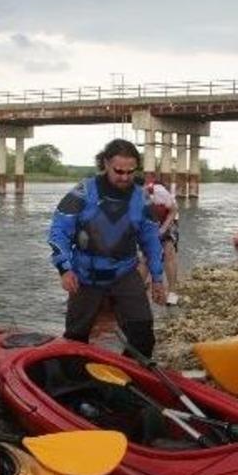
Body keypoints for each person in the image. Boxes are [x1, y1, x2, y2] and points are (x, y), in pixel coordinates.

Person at [48, 138, 166, 358]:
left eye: (130, 172)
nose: (125, 177)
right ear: (105, 164)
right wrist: (64, 269)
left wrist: (158, 278)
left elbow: (151, 240)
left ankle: (127, 373)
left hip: (124, 273)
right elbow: (59, 232)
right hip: (85, 276)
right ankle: (74, 373)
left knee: (143, 335)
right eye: (118, 171)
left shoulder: (142, 198)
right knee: (75, 338)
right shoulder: (83, 192)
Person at [145, 180, 181, 306]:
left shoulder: (158, 191)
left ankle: (172, 292)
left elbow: (173, 210)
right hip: (149, 223)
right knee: (144, 256)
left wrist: (163, 229)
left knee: (168, 253)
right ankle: (140, 287)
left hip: (168, 219)